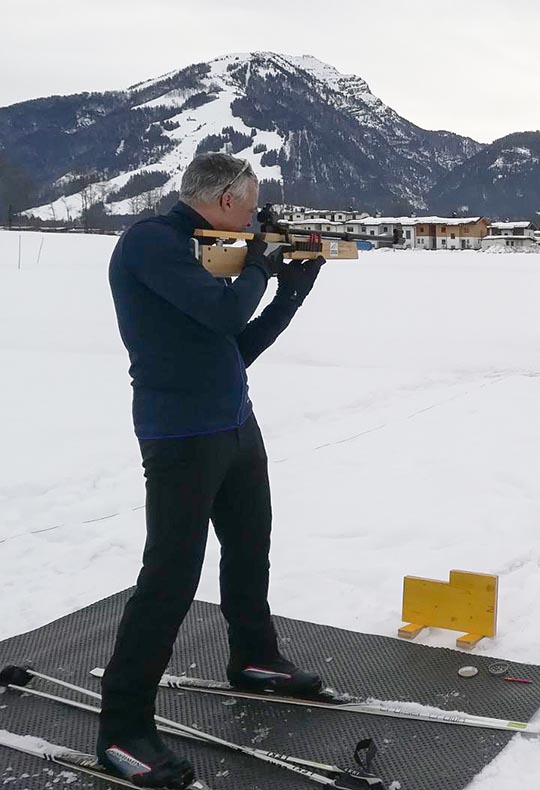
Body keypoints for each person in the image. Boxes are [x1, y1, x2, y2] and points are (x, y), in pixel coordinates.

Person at [101, 153, 324, 788]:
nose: (254, 219)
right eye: (251, 208)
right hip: (179, 435)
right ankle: (121, 730)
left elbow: (236, 346)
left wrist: (290, 292)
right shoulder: (152, 243)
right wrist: (258, 260)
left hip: (233, 424)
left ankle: (254, 658)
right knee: (170, 576)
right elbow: (227, 313)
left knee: (250, 546)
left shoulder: (201, 254)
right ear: (226, 200)